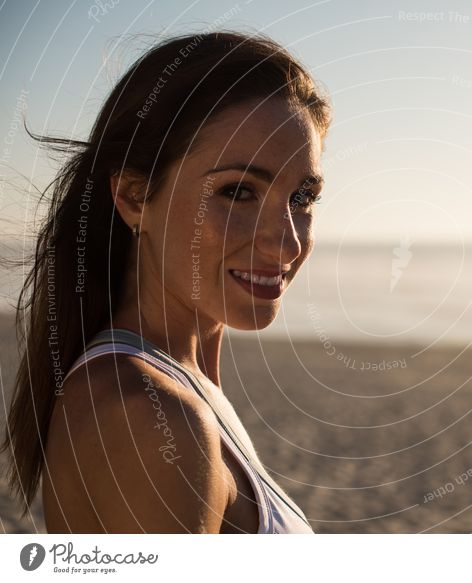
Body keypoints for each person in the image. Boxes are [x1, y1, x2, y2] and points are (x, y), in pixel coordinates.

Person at [1, 31, 331, 533]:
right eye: (238, 191)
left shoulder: (182, 382)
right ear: (135, 196)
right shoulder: (149, 416)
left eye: (302, 197)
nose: (285, 244)